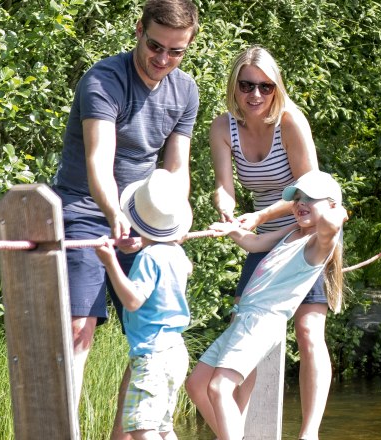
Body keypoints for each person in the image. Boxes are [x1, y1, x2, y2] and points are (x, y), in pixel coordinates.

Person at [51, 0, 199, 437]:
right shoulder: (104, 80)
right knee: (80, 330)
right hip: (85, 208)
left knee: (153, 340)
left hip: (147, 214)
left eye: (176, 51)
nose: (163, 59)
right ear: (139, 29)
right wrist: (115, 215)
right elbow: (99, 161)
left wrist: (173, 223)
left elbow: (177, 170)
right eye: (156, 46)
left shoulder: (185, 90)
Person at [184, 45, 330, 440]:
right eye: (247, 85)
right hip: (263, 234)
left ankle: (309, 434)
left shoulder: (290, 122)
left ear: (276, 87)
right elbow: (223, 185)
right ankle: (241, 429)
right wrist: (227, 208)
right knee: (243, 326)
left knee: (308, 329)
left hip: (304, 226)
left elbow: (308, 193)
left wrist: (261, 217)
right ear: (235, 86)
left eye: (265, 86)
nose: (255, 95)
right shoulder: (222, 127)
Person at [187, 170, 347, 440]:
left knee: (220, 387)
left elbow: (331, 224)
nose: (300, 203)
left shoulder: (318, 244)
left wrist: (339, 210)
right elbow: (255, 242)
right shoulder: (294, 231)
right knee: (197, 384)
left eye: (310, 198)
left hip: (262, 322)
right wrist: (232, 230)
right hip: (244, 317)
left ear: (331, 204)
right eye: (297, 198)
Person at [94, 169, 194, 440]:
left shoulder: (149, 259)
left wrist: (110, 261)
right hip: (175, 351)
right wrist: (148, 242)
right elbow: (187, 268)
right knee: (163, 427)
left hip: (153, 354)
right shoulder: (175, 251)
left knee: (141, 427)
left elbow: (133, 300)